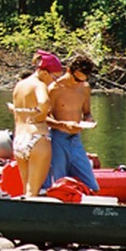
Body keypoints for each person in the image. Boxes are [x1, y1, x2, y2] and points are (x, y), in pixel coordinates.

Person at [44, 53, 100, 193]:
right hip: (58, 139)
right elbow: (43, 118)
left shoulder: (84, 88)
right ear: (69, 70)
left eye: (82, 80)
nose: (78, 83)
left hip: (76, 140)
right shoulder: (54, 89)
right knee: (59, 185)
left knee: (93, 187)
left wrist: (89, 120)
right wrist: (63, 125)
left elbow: (87, 112)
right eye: (76, 79)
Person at [10, 50, 62, 197]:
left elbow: (17, 111)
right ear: (44, 72)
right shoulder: (39, 85)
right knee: (33, 192)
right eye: (55, 77)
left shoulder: (20, 85)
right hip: (37, 138)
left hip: (19, 139)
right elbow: (44, 102)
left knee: (25, 189)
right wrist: (40, 116)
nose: (54, 81)